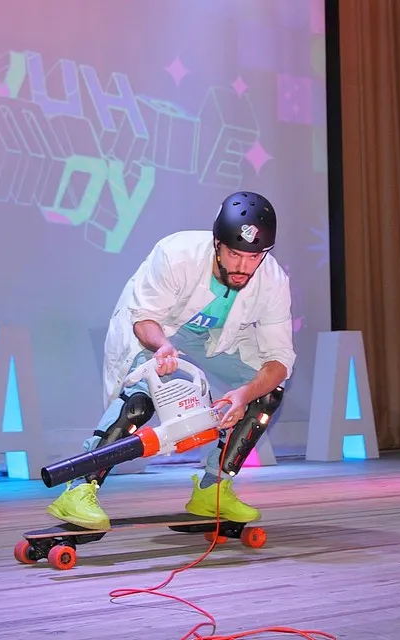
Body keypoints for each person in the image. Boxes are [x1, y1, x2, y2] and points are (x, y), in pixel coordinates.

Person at [45, 190, 296, 530]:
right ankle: (78, 490)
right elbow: (144, 318)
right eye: (234, 254)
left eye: (254, 257)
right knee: (140, 400)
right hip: (158, 331)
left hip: (213, 339)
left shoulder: (273, 280)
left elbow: (279, 359)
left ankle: (213, 490)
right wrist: (162, 347)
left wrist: (243, 394)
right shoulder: (176, 254)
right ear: (217, 244)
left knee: (266, 392)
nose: (242, 267)